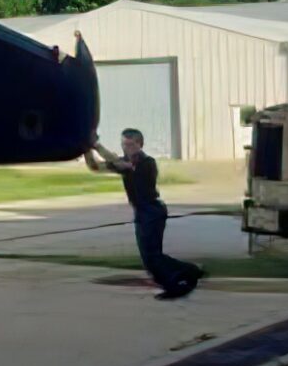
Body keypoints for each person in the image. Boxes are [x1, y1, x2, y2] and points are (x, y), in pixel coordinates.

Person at [86, 128, 202, 300]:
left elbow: (120, 163)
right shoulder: (124, 163)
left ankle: (175, 285)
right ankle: (190, 271)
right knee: (151, 256)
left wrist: (95, 144)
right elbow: (95, 167)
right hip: (142, 212)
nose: (127, 148)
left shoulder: (146, 162)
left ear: (140, 144)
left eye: (131, 144)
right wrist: (86, 149)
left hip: (152, 210)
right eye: (124, 144)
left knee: (152, 257)